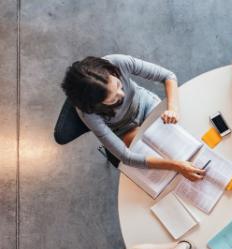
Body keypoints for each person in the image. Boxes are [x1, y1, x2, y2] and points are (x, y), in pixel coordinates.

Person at [61, 54, 205, 181]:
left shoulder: (117, 62)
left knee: (182, 135)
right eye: (112, 99)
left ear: (111, 71)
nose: (122, 95)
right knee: (155, 159)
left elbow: (168, 76)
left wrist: (172, 109)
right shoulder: (88, 113)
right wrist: (175, 166)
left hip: (145, 105)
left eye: (119, 85)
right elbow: (126, 157)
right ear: (96, 104)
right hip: (122, 129)